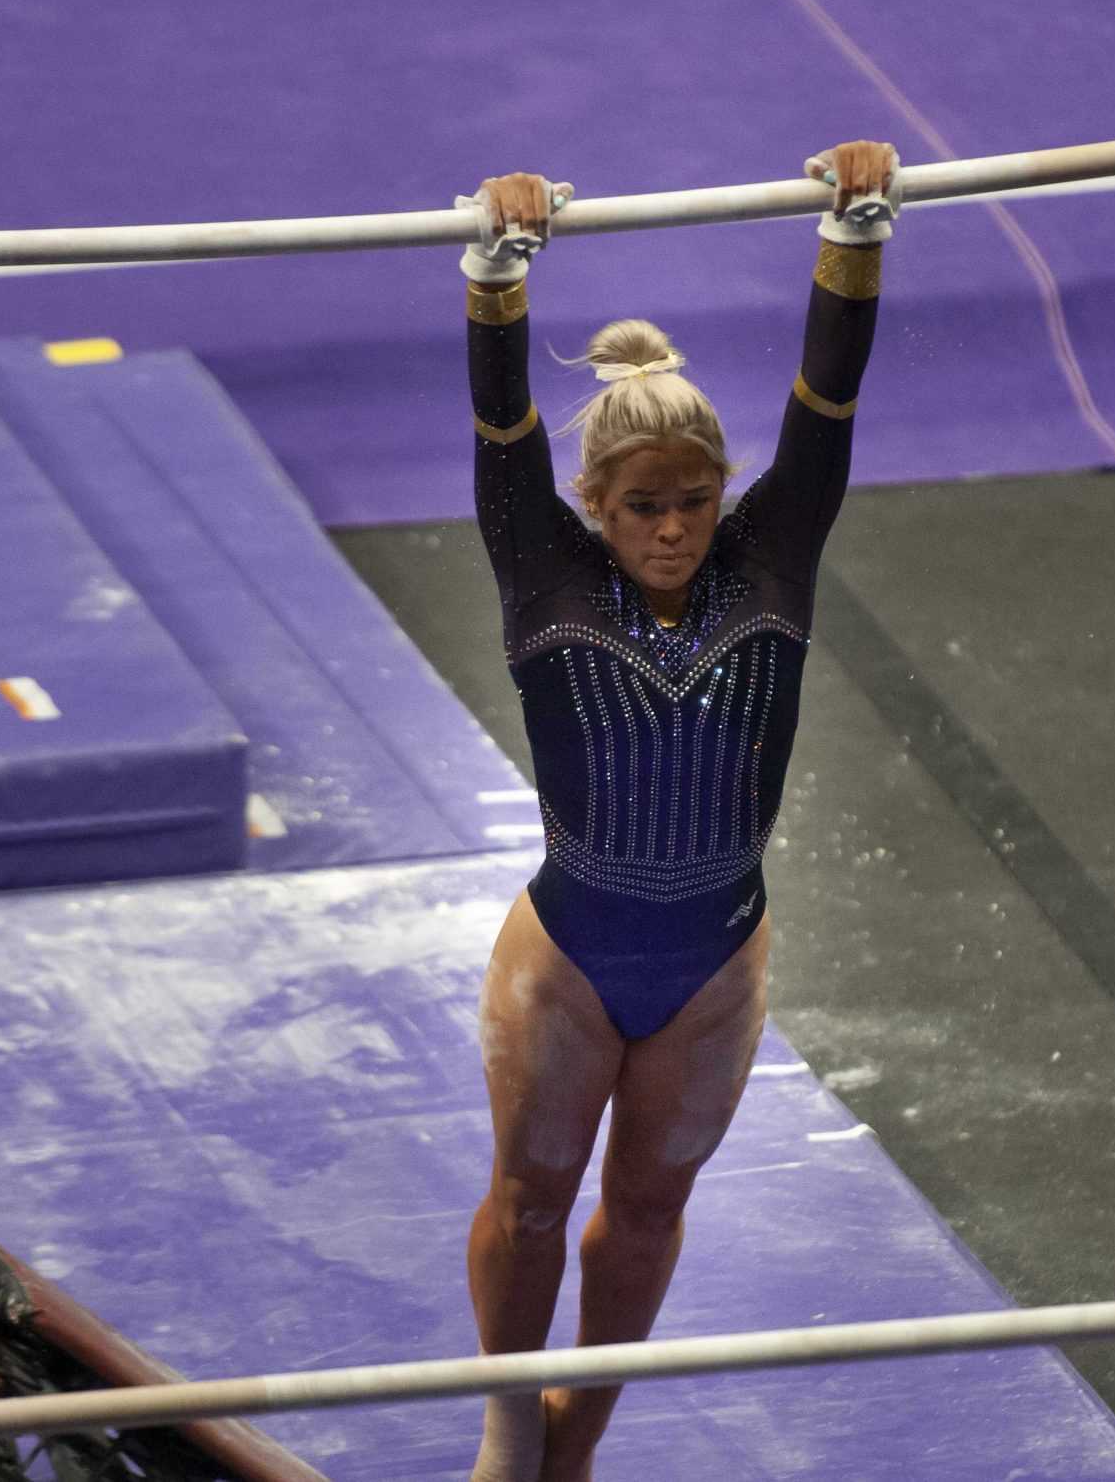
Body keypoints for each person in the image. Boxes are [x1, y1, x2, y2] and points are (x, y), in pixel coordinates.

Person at [456, 140, 898, 1480]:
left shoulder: (771, 557)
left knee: (644, 1213)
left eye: (696, 503)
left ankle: (577, 1441)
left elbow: (826, 403)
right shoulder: (546, 569)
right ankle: (506, 1438)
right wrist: (498, 272)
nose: (674, 530)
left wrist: (859, 232)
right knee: (534, 1209)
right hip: (571, 961)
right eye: (643, 508)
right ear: (595, 505)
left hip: (713, 962)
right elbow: (501, 432)